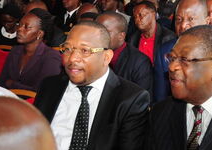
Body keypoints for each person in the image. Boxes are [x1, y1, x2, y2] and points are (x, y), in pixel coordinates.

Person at [34, 21, 150, 150]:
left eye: (85, 51)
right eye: (67, 49)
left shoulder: (130, 99)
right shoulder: (49, 86)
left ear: (106, 57)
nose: (72, 59)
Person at [153, 0, 212, 102]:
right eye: (179, 19)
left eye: (191, 19)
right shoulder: (164, 52)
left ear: (207, 21)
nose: (183, 25)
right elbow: (160, 100)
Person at [0, 8, 61, 91]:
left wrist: (13, 84)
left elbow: (43, 91)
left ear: (39, 33)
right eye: (19, 25)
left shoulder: (51, 56)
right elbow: (1, 83)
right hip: (8, 100)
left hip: (32, 103)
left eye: (26, 27)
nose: (19, 29)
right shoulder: (15, 51)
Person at [96, 12, 153, 96]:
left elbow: (141, 101)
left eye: (105, 32)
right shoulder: (90, 54)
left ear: (121, 36)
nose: (97, 36)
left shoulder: (140, 62)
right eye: (95, 31)